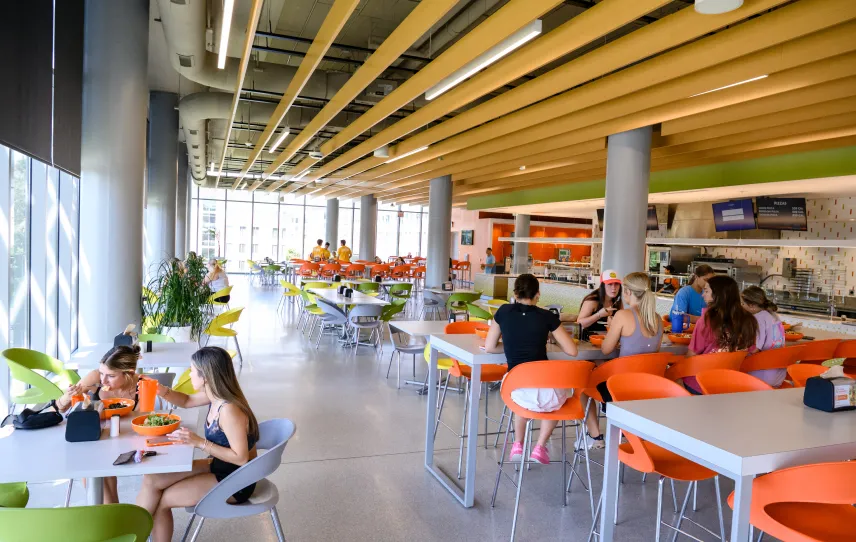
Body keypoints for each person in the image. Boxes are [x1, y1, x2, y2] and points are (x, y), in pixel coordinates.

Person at [137, 347, 259, 542]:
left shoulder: (229, 410)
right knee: (152, 480)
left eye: (192, 371)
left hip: (236, 479)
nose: (189, 374)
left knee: (162, 500)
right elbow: (186, 401)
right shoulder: (215, 396)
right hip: (218, 465)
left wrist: (199, 442)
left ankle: (137, 533)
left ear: (206, 377)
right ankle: (135, 532)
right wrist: (163, 391)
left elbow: (241, 458)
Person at [485, 274, 579, 465]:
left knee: (522, 397)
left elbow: (489, 347)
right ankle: (540, 447)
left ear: (515, 293)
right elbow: (572, 350)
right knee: (555, 402)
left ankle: (518, 444)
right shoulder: (547, 316)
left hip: (515, 387)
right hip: (545, 389)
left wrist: (514, 345)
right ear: (538, 294)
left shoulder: (503, 311)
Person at [581, 272, 664, 447]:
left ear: (626, 292)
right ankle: (630, 431)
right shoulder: (658, 319)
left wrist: (613, 329)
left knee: (583, 386)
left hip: (621, 388)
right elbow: (651, 355)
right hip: (648, 387)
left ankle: (595, 437)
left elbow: (605, 349)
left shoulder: (623, 316)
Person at [58, 345, 142, 504]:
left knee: (111, 488)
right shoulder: (94, 378)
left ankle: (115, 524)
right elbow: (60, 407)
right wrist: (68, 397)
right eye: (102, 372)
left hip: (118, 442)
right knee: (105, 496)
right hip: (89, 440)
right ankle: (112, 525)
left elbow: (139, 422)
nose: (103, 380)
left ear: (129, 374)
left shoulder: (141, 385)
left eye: (110, 376)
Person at [685, 275, 758, 393]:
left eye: (707, 291)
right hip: (730, 383)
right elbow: (750, 351)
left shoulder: (707, 320)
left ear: (717, 295)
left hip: (700, 382)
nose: (703, 294)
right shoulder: (749, 320)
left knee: (672, 376)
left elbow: (691, 356)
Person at [741, 286, 787, 386]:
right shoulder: (772, 315)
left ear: (752, 306)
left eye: (743, 303)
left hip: (763, 375)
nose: (741, 306)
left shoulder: (757, 319)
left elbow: (755, 348)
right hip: (779, 374)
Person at [577, 270, 623, 340]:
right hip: (589, 340)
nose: (613, 288)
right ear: (603, 286)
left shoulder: (618, 301)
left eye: (616, 284)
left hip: (610, 340)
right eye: (610, 284)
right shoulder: (592, 300)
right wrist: (599, 315)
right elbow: (579, 323)